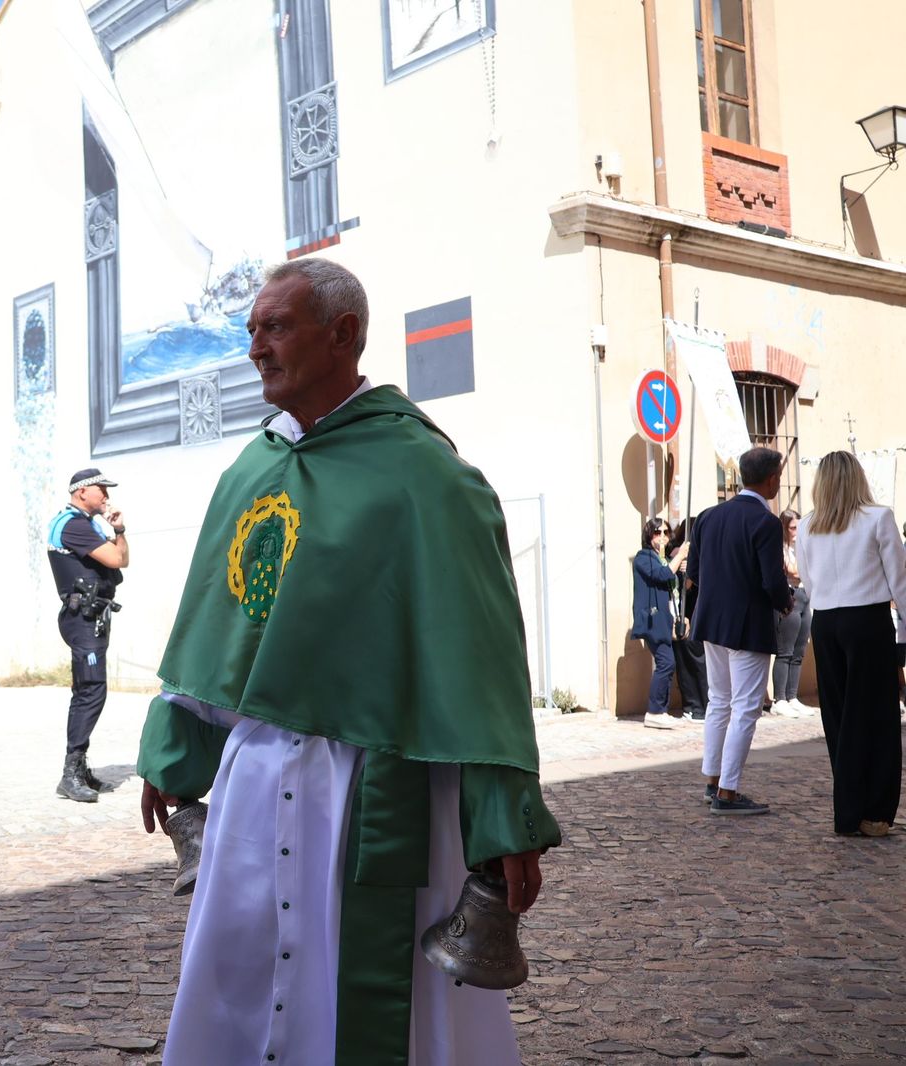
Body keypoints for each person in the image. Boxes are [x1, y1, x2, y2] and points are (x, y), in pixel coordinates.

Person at [137, 259, 557, 1065]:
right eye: (252, 330)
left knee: (375, 1006)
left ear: (344, 335)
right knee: (241, 978)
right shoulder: (251, 469)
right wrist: (176, 749)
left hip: (372, 784)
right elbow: (215, 626)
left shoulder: (423, 477)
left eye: (276, 327)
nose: (257, 347)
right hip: (255, 784)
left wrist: (504, 814)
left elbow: (479, 653)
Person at [796, 451, 906, 838]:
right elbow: (901, 583)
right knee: (876, 718)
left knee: (839, 718)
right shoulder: (879, 518)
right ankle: (875, 811)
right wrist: (904, 636)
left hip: (826, 623)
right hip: (869, 621)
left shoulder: (807, 526)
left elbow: (808, 583)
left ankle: (848, 809)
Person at [685, 446, 793, 816]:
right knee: (746, 707)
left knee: (719, 701)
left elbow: (693, 574)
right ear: (772, 478)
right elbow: (772, 579)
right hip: (747, 625)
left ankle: (713, 780)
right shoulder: (764, 523)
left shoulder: (707, 517)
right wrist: (786, 601)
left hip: (711, 621)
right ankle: (728, 792)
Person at [45, 468, 129, 802]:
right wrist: (117, 532)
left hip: (90, 617)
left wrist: (119, 530)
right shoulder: (75, 525)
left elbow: (124, 559)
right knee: (91, 690)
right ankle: (71, 772)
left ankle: (79, 768)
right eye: (101, 490)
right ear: (82, 493)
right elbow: (113, 556)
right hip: (83, 619)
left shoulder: (85, 524)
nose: (106, 496)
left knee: (88, 690)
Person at [632, 516, 689, 729]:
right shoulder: (643, 557)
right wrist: (680, 555)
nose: (663, 536)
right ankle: (655, 711)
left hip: (665, 617)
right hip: (652, 618)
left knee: (668, 663)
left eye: (666, 532)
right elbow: (662, 575)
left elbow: (671, 589)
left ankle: (660, 710)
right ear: (649, 536)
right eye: (657, 532)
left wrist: (678, 615)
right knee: (666, 662)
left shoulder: (661, 558)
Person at [771, 507, 816, 717]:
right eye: (792, 527)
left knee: (799, 651)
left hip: (805, 596)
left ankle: (792, 695)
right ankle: (779, 698)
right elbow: (793, 570)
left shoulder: (801, 546)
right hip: (790, 596)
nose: (796, 531)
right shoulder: (779, 547)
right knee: (785, 651)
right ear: (784, 528)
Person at [671, 520, 708, 721]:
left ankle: (699, 706)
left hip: (696, 612)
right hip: (683, 613)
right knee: (687, 661)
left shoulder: (702, 554)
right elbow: (681, 586)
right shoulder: (678, 553)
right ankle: (694, 705)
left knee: (698, 661)